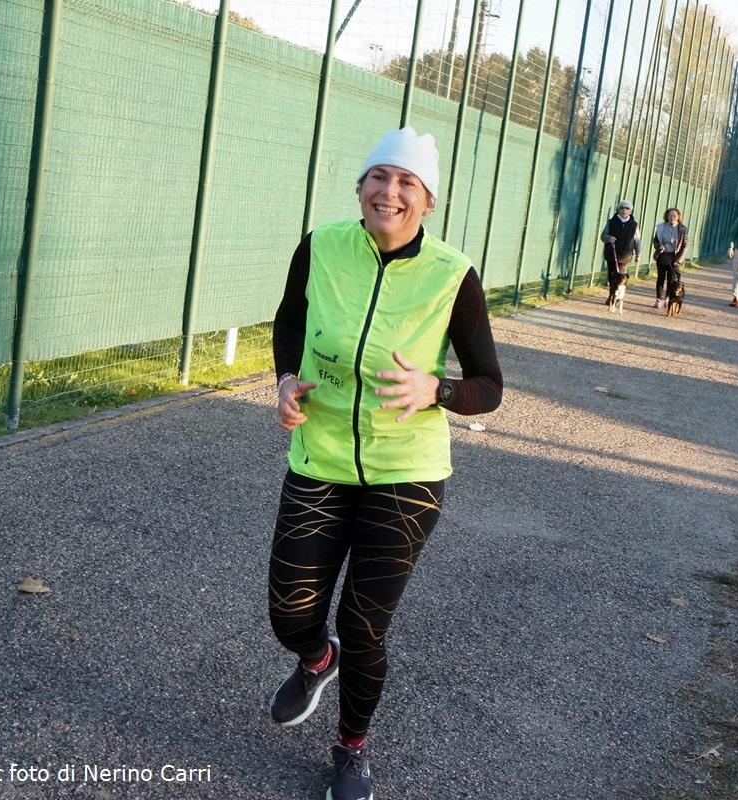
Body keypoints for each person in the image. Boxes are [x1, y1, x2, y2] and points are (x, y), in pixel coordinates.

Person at [269, 127, 503, 800]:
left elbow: (489, 384)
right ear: (360, 187)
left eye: (407, 183)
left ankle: (351, 749)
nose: (390, 192)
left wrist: (438, 390)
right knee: (289, 613)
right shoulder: (320, 246)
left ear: (428, 201)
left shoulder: (453, 275)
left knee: (364, 624)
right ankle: (317, 660)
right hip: (321, 457)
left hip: (407, 473)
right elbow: (289, 323)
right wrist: (284, 380)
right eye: (379, 176)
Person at [601, 199, 641, 298]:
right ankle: (612, 294)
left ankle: (615, 295)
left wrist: (638, 253)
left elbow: (637, 240)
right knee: (611, 275)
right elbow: (603, 236)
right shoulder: (611, 222)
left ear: (630, 211)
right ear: (618, 210)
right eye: (622, 208)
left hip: (625, 255)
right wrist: (609, 238)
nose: (624, 210)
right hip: (612, 253)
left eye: (627, 208)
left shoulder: (634, 225)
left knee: (619, 275)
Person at [651, 208, 687, 309]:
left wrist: (678, 260)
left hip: (675, 257)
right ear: (667, 216)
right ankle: (658, 300)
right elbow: (655, 241)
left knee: (672, 280)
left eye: (674, 215)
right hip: (662, 255)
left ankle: (667, 299)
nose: (672, 217)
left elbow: (685, 245)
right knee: (660, 278)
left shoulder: (682, 229)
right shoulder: (661, 227)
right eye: (670, 215)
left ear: (678, 217)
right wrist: (659, 247)